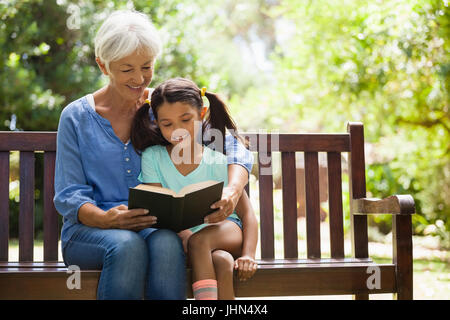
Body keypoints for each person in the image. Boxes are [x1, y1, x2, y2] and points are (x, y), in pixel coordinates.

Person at [54, 10, 253, 300]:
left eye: (146, 66)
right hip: (89, 232)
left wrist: (233, 190)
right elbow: (69, 194)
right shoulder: (76, 117)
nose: (139, 78)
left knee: (166, 242)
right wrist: (105, 219)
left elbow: (232, 146)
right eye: (127, 69)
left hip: (151, 227)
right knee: (126, 245)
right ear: (103, 65)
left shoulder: (162, 110)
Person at [130, 77, 258, 300]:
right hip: (186, 240)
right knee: (221, 260)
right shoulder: (153, 157)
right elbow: (161, 209)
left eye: (186, 120)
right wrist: (185, 235)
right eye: (167, 124)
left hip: (227, 232)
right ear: (157, 124)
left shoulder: (218, 161)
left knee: (200, 242)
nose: (177, 130)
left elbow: (247, 214)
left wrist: (248, 254)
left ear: (201, 115)